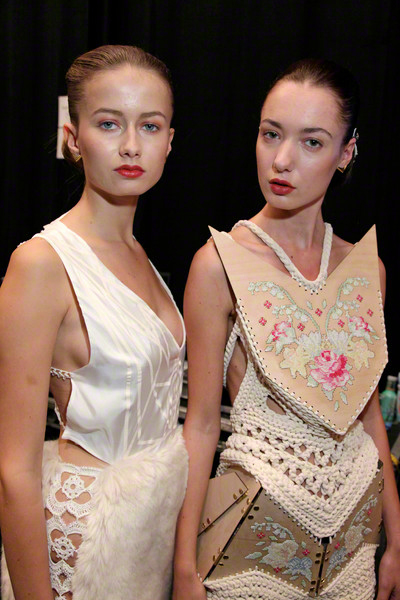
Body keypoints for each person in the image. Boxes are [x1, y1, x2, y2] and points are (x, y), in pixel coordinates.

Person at [173, 58, 400, 600]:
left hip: (354, 549)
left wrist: (395, 540)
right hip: (250, 546)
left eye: (311, 142)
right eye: (271, 134)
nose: (281, 159)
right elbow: (200, 425)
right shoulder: (219, 264)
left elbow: (368, 414)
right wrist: (182, 567)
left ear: (346, 152)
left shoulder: (365, 268)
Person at [0, 45, 187, 600]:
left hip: (145, 541)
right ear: (74, 137)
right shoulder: (41, 263)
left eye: (149, 125)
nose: (131, 145)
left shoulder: (138, 254)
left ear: (169, 141)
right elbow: (13, 471)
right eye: (109, 124)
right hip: (81, 547)